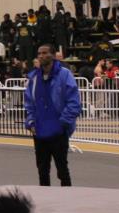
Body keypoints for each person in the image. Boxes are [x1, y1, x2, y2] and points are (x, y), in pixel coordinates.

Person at [23, 44, 81, 187]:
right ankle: (45, 198)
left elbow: (74, 101)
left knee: (62, 171)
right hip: (39, 131)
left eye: (45, 53)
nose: (41, 56)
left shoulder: (65, 74)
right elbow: (29, 102)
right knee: (42, 171)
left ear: (53, 56)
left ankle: (68, 197)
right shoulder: (33, 77)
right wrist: (30, 121)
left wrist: (63, 123)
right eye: (39, 53)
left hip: (58, 131)